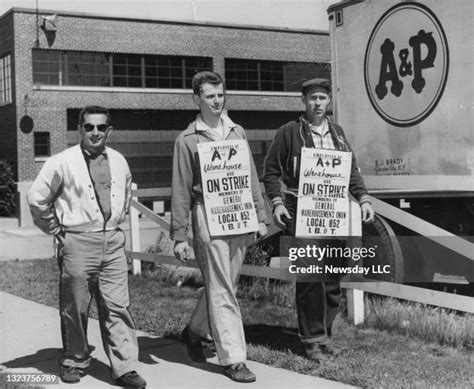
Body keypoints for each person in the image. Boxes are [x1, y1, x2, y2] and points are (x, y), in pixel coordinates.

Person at [27, 106, 146, 388]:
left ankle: (125, 367)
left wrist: (115, 222)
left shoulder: (119, 160)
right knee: (76, 306)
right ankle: (75, 359)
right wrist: (57, 231)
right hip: (78, 242)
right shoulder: (63, 161)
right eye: (89, 127)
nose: (95, 133)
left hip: (113, 242)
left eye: (101, 127)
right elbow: (36, 198)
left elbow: (126, 192)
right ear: (80, 129)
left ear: (109, 130)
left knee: (118, 306)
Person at [263, 78, 374, 361]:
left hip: (333, 211)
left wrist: (363, 198)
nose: (317, 103)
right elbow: (272, 171)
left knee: (333, 277)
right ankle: (311, 339)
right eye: (312, 98)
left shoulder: (337, 133)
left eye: (322, 98)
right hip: (301, 210)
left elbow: (350, 170)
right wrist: (277, 202)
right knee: (311, 273)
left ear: (328, 101)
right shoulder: (290, 132)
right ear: (303, 101)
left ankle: (324, 334)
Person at [170, 71, 268, 383]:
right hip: (206, 215)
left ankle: (195, 331)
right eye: (210, 96)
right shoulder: (187, 139)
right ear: (196, 98)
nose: (217, 101)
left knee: (225, 284)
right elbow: (181, 189)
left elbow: (250, 175)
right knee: (222, 285)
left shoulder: (237, 131)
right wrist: (180, 234)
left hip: (238, 212)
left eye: (220, 95)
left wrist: (260, 215)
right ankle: (234, 358)